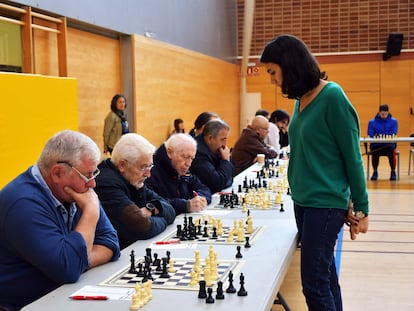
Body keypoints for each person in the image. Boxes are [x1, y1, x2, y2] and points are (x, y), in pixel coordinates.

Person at [260, 34, 369, 311]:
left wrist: (362, 208)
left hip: (324, 204)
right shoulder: (300, 100)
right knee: (326, 276)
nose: (272, 79)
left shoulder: (332, 96)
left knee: (314, 284)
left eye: (273, 72)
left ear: (290, 65)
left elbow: (352, 156)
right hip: (304, 202)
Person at [0, 130, 120, 311]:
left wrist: (77, 258)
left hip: (63, 295)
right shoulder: (23, 204)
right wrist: (90, 213)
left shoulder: (77, 191)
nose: (93, 184)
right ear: (57, 173)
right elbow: (69, 269)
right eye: (87, 175)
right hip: (24, 305)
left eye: (94, 174)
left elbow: (110, 242)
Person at [95, 133, 176, 249]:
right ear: (122, 165)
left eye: (150, 166)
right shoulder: (105, 184)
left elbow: (170, 209)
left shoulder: (132, 179)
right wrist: (163, 220)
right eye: (143, 167)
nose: (148, 174)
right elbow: (142, 227)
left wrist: (152, 209)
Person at [146, 133, 211, 215]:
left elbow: (204, 188)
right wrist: (185, 205)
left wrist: (199, 199)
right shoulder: (150, 171)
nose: (189, 164)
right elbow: (153, 203)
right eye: (185, 157)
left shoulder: (180, 169)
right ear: (170, 153)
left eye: (191, 158)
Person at [190, 119, 234, 193]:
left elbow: (230, 176)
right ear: (210, 138)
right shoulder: (198, 153)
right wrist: (226, 161)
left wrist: (224, 178)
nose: (225, 144)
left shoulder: (216, 150)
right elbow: (216, 184)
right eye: (223, 139)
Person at [367, 104, 399, 180]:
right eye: (382, 114)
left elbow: (393, 133)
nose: (384, 115)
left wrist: (379, 135)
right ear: (379, 112)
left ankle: (393, 171)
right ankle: (375, 172)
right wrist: (379, 137)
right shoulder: (372, 122)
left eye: (386, 114)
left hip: (388, 145)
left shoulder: (394, 121)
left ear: (388, 113)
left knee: (391, 151)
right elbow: (370, 133)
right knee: (375, 152)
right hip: (377, 145)